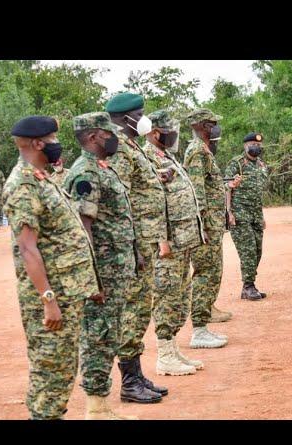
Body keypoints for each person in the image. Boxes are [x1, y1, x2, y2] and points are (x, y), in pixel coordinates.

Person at [2, 115, 100, 419]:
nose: (59, 145)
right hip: (50, 298)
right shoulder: (23, 184)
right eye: (54, 140)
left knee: (63, 369)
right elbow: (27, 249)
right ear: (38, 143)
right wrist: (48, 301)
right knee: (50, 373)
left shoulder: (42, 177)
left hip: (68, 292)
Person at [66, 112, 157, 418]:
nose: (115, 137)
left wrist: (135, 255)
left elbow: (117, 219)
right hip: (102, 273)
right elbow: (83, 227)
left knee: (109, 335)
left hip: (116, 269)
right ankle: (96, 408)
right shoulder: (86, 173)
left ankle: (101, 405)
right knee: (98, 337)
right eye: (109, 133)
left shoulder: (102, 168)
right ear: (93, 136)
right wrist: (92, 278)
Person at [105, 92, 169, 399]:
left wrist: (158, 176)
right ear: (125, 117)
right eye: (140, 113)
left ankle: (138, 376)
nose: (145, 118)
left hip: (144, 241)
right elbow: (121, 201)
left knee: (142, 309)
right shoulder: (119, 148)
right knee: (134, 310)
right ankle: (129, 383)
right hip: (135, 245)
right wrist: (131, 249)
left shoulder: (130, 145)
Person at [144, 109, 209, 372]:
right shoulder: (148, 158)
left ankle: (173, 349)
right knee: (167, 295)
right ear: (156, 132)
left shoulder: (166, 156)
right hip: (168, 243)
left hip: (183, 240)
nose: (176, 136)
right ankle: (164, 356)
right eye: (171, 131)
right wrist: (162, 240)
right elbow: (153, 203)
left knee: (181, 295)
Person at [183, 108, 232, 348]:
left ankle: (204, 324)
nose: (216, 127)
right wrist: (201, 224)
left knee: (212, 271)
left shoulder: (203, 150)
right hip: (205, 226)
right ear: (202, 126)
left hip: (212, 224)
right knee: (204, 273)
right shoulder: (196, 151)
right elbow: (197, 190)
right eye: (212, 123)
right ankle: (199, 330)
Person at [225, 133, 269, 300]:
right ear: (245, 146)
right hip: (239, 213)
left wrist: (262, 216)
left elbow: (258, 192)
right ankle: (248, 286)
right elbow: (226, 187)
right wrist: (229, 212)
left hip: (256, 214)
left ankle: (249, 285)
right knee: (248, 251)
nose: (256, 147)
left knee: (257, 250)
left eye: (258, 144)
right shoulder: (236, 164)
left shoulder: (261, 165)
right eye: (252, 144)